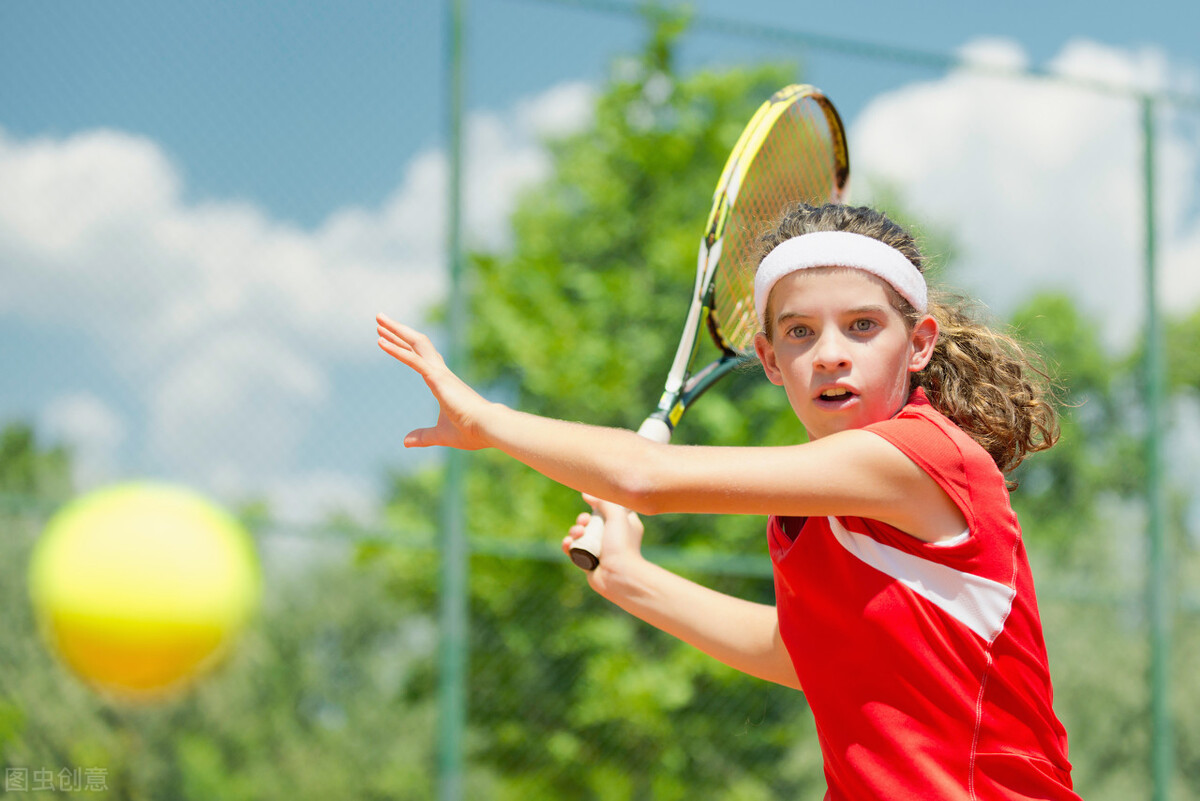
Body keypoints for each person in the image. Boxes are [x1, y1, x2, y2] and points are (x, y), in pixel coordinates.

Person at [376, 203, 1080, 800]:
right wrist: (631, 578)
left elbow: (644, 477)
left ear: (918, 343)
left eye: (862, 325)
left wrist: (485, 420)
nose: (830, 352)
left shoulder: (927, 455)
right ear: (770, 359)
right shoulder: (808, 515)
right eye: (800, 331)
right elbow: (806, 654)